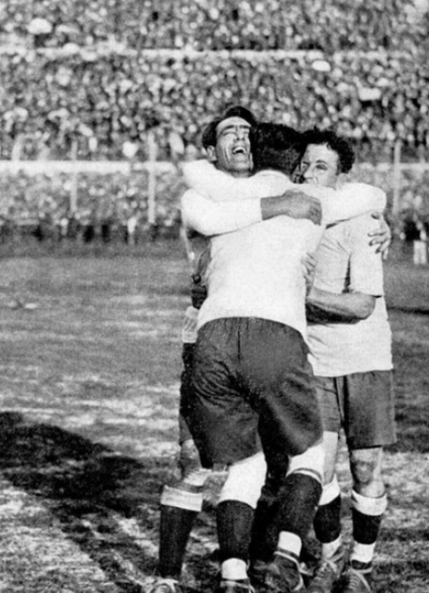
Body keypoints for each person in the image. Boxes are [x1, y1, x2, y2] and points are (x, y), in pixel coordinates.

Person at [179, 122, 386, 593]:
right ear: (295, 166)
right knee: (311, 453)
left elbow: (195, 181)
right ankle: (289, 554)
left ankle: (233, 576)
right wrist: (380, 216)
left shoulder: (220, 194)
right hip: (272, 332)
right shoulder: (312, 201)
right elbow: (372, 195)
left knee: (244, 465)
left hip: (211, 335)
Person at [152, 105, 325, 593]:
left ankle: (247, 564)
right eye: (229, 133)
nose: (242, 140)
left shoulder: (272, 190)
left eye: (249, 133)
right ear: (210, 150)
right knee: (193, 461)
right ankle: (167, 577)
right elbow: (214, 213)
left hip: (249, 334)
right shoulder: (205, 194)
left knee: (263, 464)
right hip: (208, 336)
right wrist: (286, 205)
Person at [297, 130, 395, 593]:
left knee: (364, 468)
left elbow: (360, 306)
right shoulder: (293, 222)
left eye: (322, 166)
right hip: (316, 362)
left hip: (366, 360)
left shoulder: (362, 222)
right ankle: (330, 556)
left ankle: (362, 566)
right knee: (318, 468)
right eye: (306, 164)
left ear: (341, 178)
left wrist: (303, 296)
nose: (309, 173)